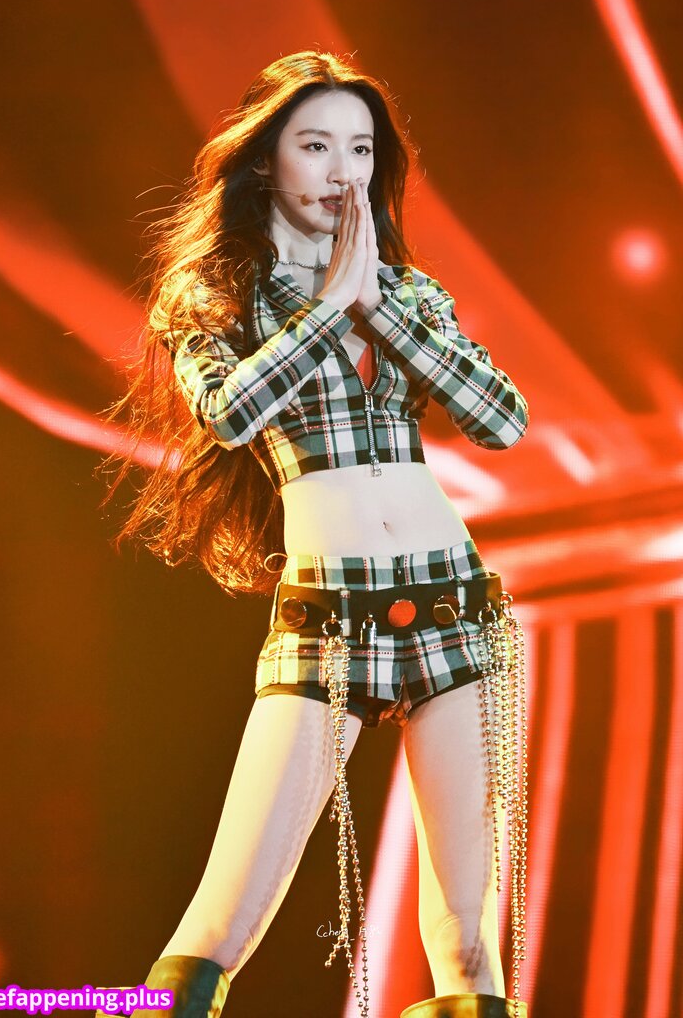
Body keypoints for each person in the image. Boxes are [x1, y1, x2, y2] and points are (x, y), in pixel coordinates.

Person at [103, 50, 530, 1018]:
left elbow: (504, 420)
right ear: (266, 160)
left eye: (361, 149)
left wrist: (377, 304)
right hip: (326, 624)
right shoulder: (213, 294)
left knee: (468, 947)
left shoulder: (407, 293)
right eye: (317, 146)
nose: (344, 172)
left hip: (454, 609)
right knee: (215, 932)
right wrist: (331, 308)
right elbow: (230, 413)